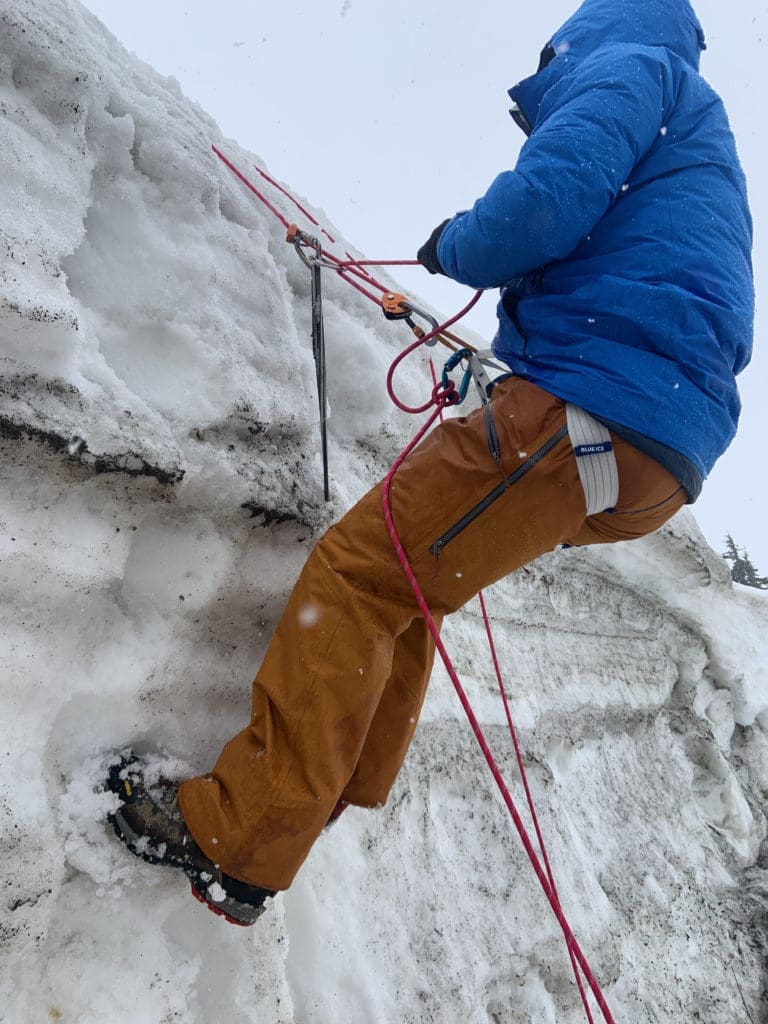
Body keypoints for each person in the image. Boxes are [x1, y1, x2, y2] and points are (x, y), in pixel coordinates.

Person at [107, 0, 753, 926]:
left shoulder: (635, 73)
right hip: (656, 454)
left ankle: (242, 837)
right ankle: (332, 788)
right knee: (411, 585)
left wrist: (457, 244)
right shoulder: (703, 135)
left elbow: (541, 206)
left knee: (360, 579)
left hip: (583, 414)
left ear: (585, 34)